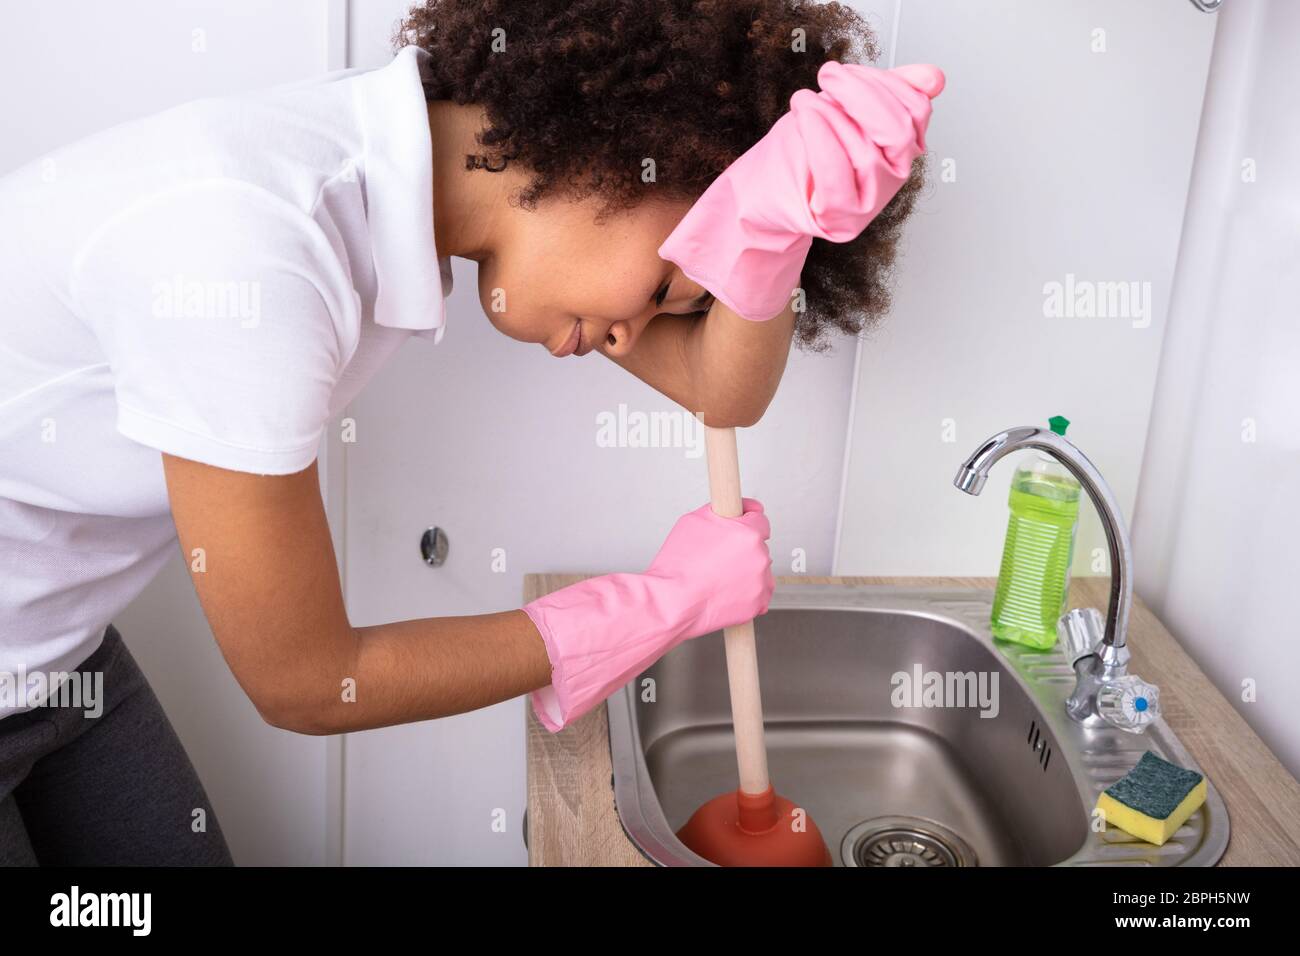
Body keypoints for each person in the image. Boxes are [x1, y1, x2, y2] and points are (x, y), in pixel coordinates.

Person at [0, 0, 939, 864]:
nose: (627, 337)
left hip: (56, 652)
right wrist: (651, 608)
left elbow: (718, 391)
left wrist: (773, 235)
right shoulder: (251, 251)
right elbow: (309, 683)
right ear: (614, 150)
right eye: (660, 294)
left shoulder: (391, 175)